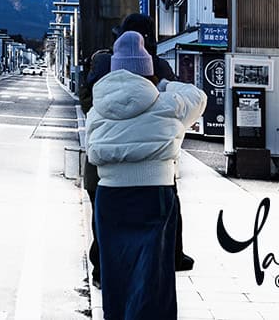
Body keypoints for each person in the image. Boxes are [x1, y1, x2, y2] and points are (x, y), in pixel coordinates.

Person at [85, 30, 206, 320]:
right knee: (153, 278)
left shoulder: (97, 109)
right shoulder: (166, 105)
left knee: (116, 275)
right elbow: (197, 96)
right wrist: (164, 82)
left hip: (110, 197)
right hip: (154, 194)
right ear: (147, 71)